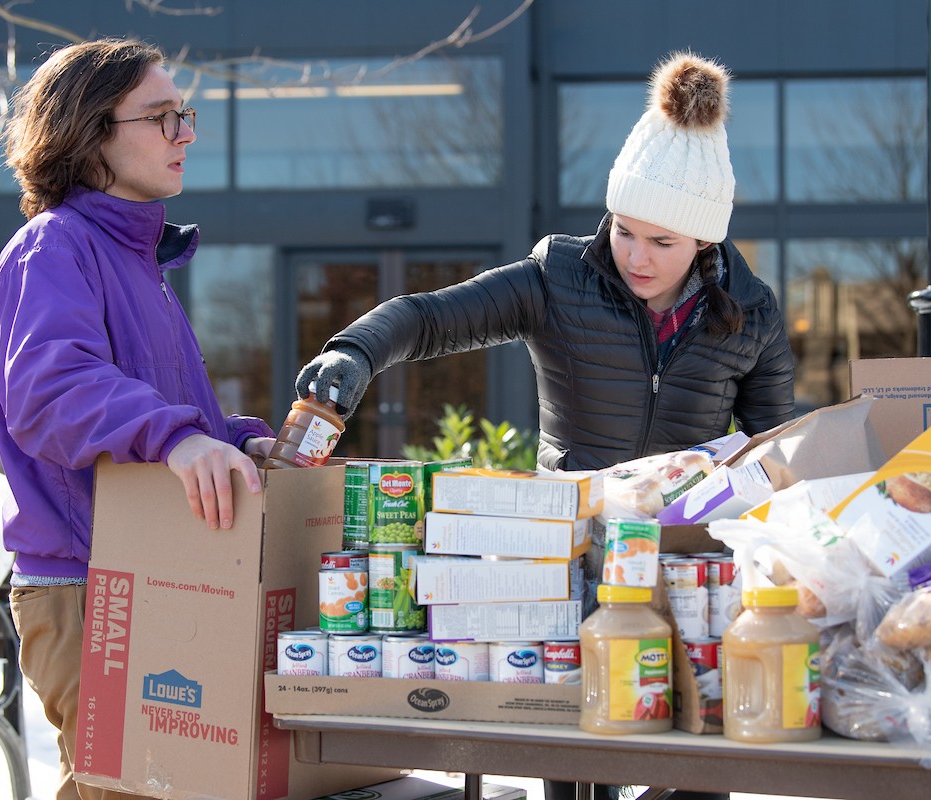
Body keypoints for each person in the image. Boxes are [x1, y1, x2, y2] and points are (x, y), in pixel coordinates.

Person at [296, 51, 792, 800]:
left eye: (662, 242)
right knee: (571, 764)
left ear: (704, 243)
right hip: (567, 562)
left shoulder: (750, 315)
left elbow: (772, 452)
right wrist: (355, 351)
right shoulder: (560, 281)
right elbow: (430, 317)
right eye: (625, 231)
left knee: (693, 767)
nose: (636, 257)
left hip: (683, 572)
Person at [0, 39, 274, 800]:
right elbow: (50, 392)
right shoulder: (52, 247)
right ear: (90, 134)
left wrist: (237, 440)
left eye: (186, 115)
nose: (187, 134)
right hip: (89, 586)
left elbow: (157, 409)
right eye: (162, 117)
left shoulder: (136, 260)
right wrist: (177, 438)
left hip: (150, 572)